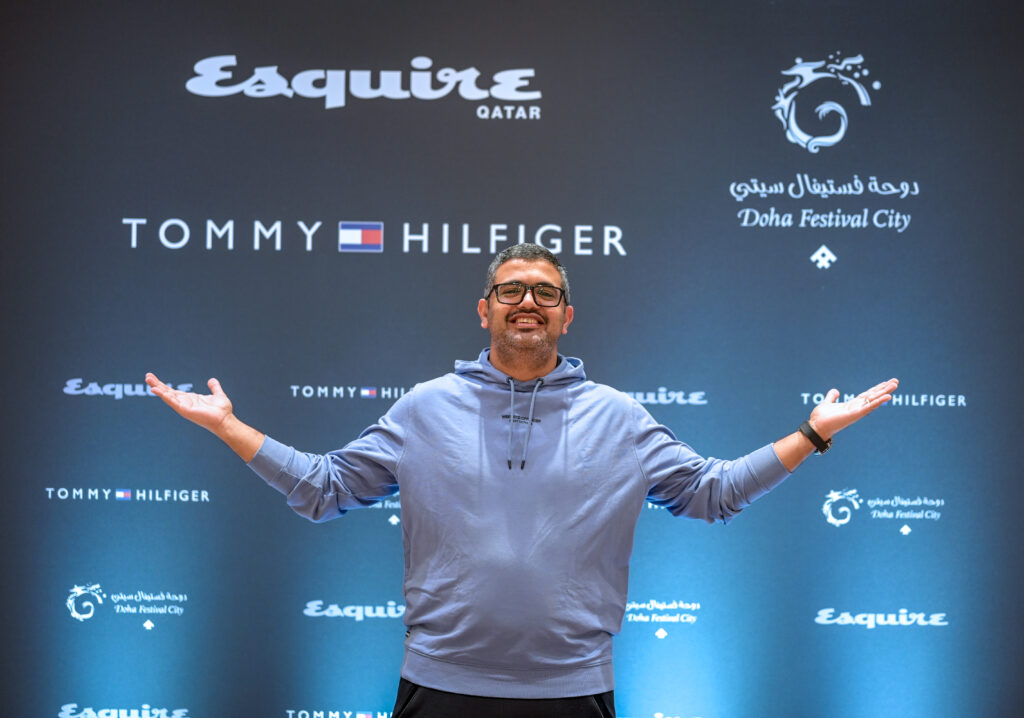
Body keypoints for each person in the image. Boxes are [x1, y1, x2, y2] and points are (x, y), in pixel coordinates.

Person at [146, 244, 898, 718]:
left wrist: (811, 435)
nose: (527, 301)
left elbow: (714, 492)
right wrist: (228, 426)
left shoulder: (619, 416)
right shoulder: (425, 406)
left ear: (567, 316)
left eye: (544, 292)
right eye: (510, 290)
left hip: (572, 691)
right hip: (441, 686)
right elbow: (324, 488)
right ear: (485, 311)